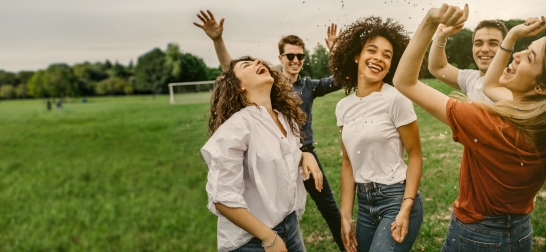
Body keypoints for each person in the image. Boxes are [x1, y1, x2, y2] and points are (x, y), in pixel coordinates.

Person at [393, 4, 546, 251]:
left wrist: (430, 22)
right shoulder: (536, 119)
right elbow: (489, 86)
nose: (516, 55)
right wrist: (511, 37)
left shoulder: (490, 122)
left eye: (529, 57)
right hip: (519, 230)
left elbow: (404, 81)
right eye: (525, 49)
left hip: (478, 233)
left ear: (540, 87)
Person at [194, 10, 346, 251]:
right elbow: (230, 71)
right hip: (253, 236)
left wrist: (304, 154)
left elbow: (340, 79)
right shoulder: (247, 116)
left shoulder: (304, 90)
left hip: (300, 155)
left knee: (328, 207)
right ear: (281, 57)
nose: (296, 60)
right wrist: (218, 40)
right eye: (291, 55)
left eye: (300, 56)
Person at [201, 56, 324, 252]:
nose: (259, 62)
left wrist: (303, 156)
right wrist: (268, 237)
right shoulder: (236, 128)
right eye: (246, 65)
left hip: (289, 225)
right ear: (238, 86)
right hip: (251, 240)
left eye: (257, 61)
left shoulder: (285, 117)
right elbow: (222, 197)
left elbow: (280, 156)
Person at [329, 16, 424, 252]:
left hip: (396, 199)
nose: (378, 58)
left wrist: (406, 207)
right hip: (364, 206)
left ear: (392, 65)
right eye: (372, 50)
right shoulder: (343, 107)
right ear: (356, 56)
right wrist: (346, 215)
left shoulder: (396, 99)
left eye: (387, 55)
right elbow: (348, 162)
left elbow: (415, 155)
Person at [428, 19, 508, 103]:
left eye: (493, 43)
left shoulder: (515, 84)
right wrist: (440, 37)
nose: (484, 49)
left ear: (507, 47)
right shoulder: (470, 78)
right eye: (478, 44)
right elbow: (438, 68)